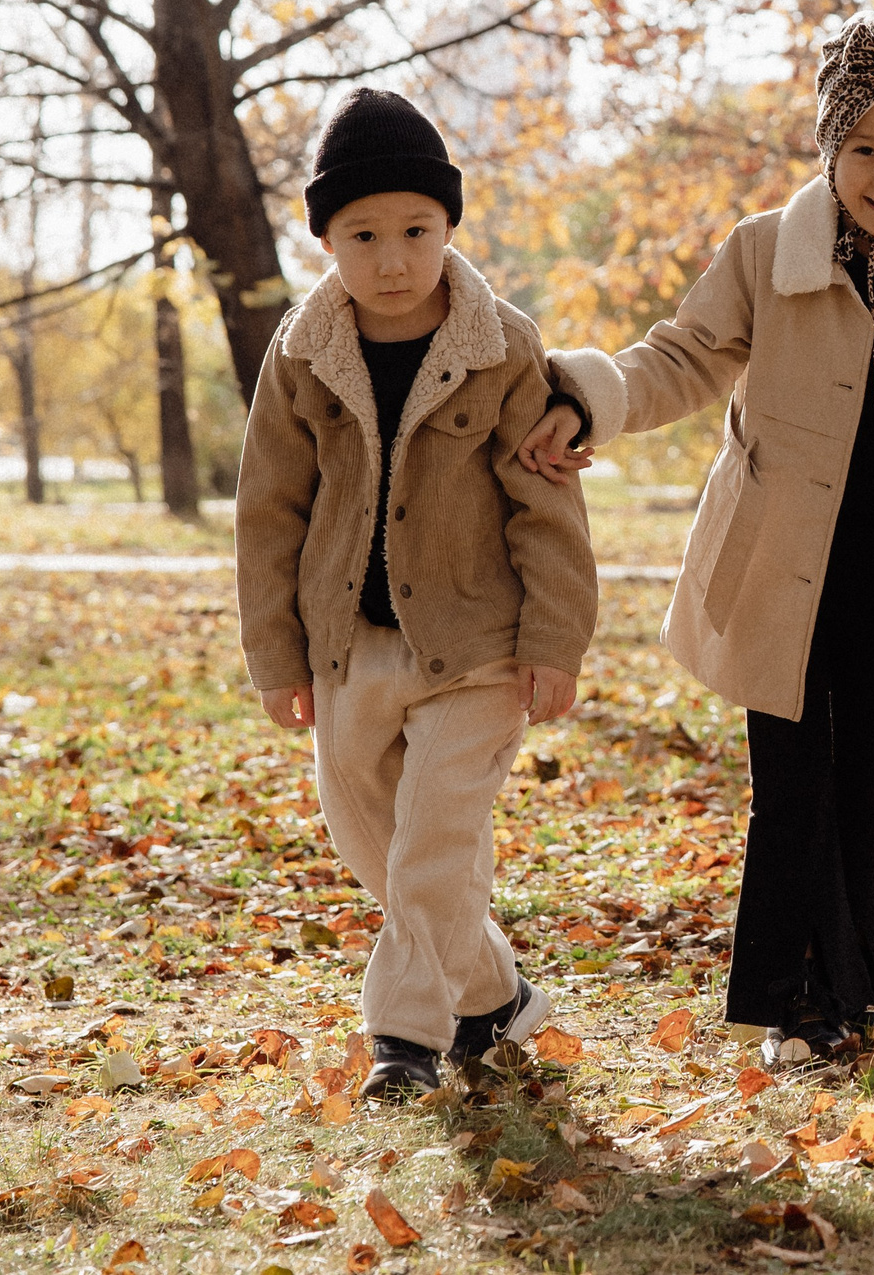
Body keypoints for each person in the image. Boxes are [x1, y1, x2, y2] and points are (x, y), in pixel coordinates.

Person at [514, 13, 874, 1063]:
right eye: (864, 149)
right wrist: (588, 399)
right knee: (791, 782)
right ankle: (792, 1006)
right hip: (781, 561)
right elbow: (683, 355)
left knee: (868, 781)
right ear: (828, 148)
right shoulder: (761, 255)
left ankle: (865, 998)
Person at [237, 87, 598, 1100]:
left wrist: (555, 640)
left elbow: (547, 506)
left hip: (477, 645)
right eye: (362, 234)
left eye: (415, 230)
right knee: (374, 840)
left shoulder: (502, 346)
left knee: (436, 838)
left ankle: (402, 1041)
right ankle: (497, 999)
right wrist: (276, 656)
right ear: (324, 239)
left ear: (448, 227)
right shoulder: (304, 355)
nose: (391, 258)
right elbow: (268, 512)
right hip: (348, 644)